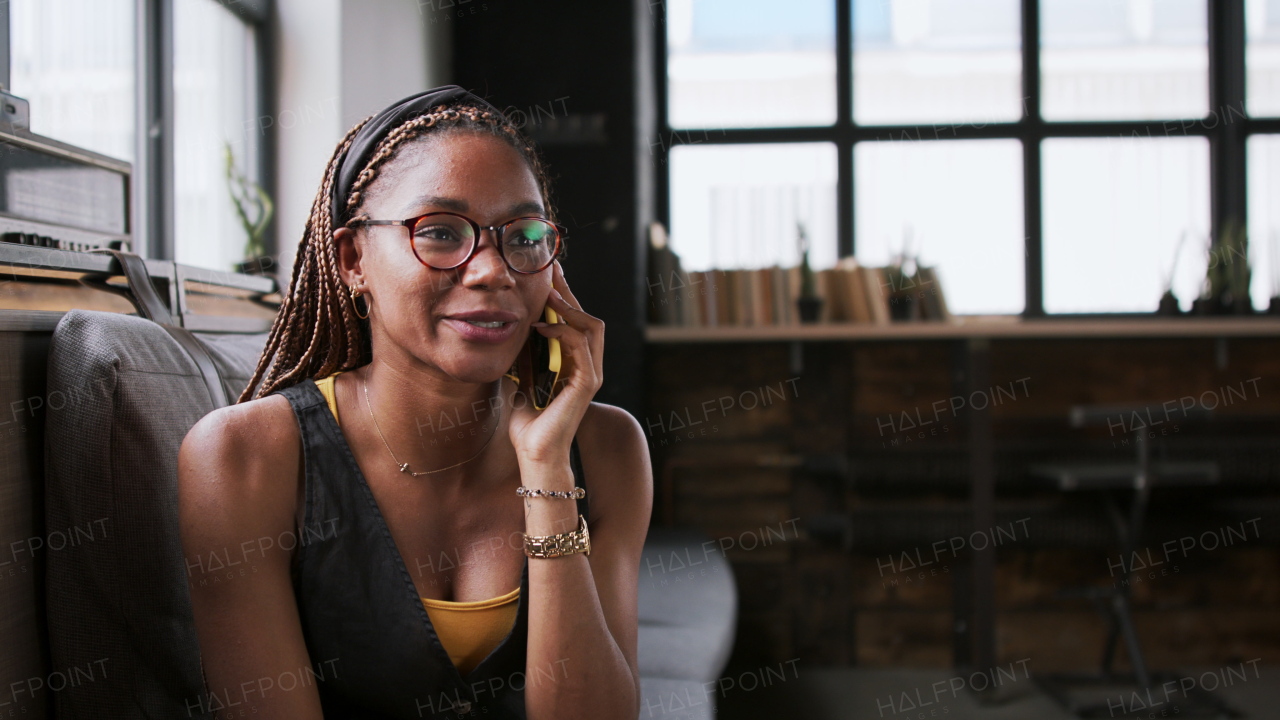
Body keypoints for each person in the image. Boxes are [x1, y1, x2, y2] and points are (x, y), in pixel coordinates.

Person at [177, 85, 652, 719]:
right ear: (352, 259)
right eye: (440, 232)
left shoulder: (605, 446)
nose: (492, 271)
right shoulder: (242, 459)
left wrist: (546, 471)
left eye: (525, 235)